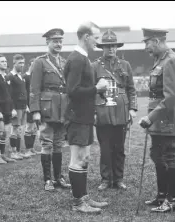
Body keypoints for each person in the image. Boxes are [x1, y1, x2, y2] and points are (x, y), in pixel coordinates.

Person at [138, 28, 175, 213]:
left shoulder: (171, 61)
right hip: (158, 120)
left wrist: (150, 118)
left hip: (167, 120)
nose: (146, 47)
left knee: (169, 157)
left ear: (157, 41)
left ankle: (172, 200)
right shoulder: (160, 60)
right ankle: (161, 196)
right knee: (158, 156)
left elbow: (171, 97)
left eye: (147, 43)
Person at [64, 21, 109, 214]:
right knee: (78, 158)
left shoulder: (83, 59)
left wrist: (97, 91)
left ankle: (83, 197)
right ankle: (78, 203)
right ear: (86, 37)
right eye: (96, 38)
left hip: (85, 117)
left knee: (85, 158)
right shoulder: (76, 59)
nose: (97, 42)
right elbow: (72, 91)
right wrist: (96, 88)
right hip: (77, 118)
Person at [92, 29, 137, 191]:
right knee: (105, 148)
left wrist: (132, 109)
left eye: (114, 46)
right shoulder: (95, 66)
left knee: (119, 148)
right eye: (107, 46)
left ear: (117, 47)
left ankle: (118, 179)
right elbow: (91, 91)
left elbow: (131, 89)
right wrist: (93, 113)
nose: (111, 49)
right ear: (102, 47)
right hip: (103, 111)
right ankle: (105, 179)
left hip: (121, 111)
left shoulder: (125, 65)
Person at [30, 28, 71, 191]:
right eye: (55, 41)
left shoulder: (65, 62)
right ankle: (47, 179)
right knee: (47, 143)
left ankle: (58, 177)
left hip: (62, 108)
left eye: (60, 41)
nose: (58, 44)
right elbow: (34, 88)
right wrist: (35, 110)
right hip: (46, 107)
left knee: (59, 143)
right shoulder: (39, 62)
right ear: (47, 42)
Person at [0, 55, 17, 164]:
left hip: (8, 109)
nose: (5, 63)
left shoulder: (6, 77)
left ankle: (3, 155)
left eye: (6, 61)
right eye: (2, 61)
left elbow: (10, 95)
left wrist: (13, 108)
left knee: (5, 134)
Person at [8, 54, 32, 160]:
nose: (22, 65)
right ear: (14, 63)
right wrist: (12, 108)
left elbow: (24, 92)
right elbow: (9, 94)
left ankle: (17, 151)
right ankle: (13, 152)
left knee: (19, 130)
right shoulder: (10, 77)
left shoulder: (21, 76)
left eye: (23, 63)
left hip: (23, 106)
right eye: (19, 63)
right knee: (15, 129)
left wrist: (26, 105)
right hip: (16, 107)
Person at [22, 58, 40, 155]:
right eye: (33, 65)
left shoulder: (35, 77)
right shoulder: (25, 76)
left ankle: (32, 148)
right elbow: (23, 93)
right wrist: (26, 105)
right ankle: (27, 149)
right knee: (29, 126)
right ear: (30, 65)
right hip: (28, 105)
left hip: (35, 105)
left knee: (34, 128)